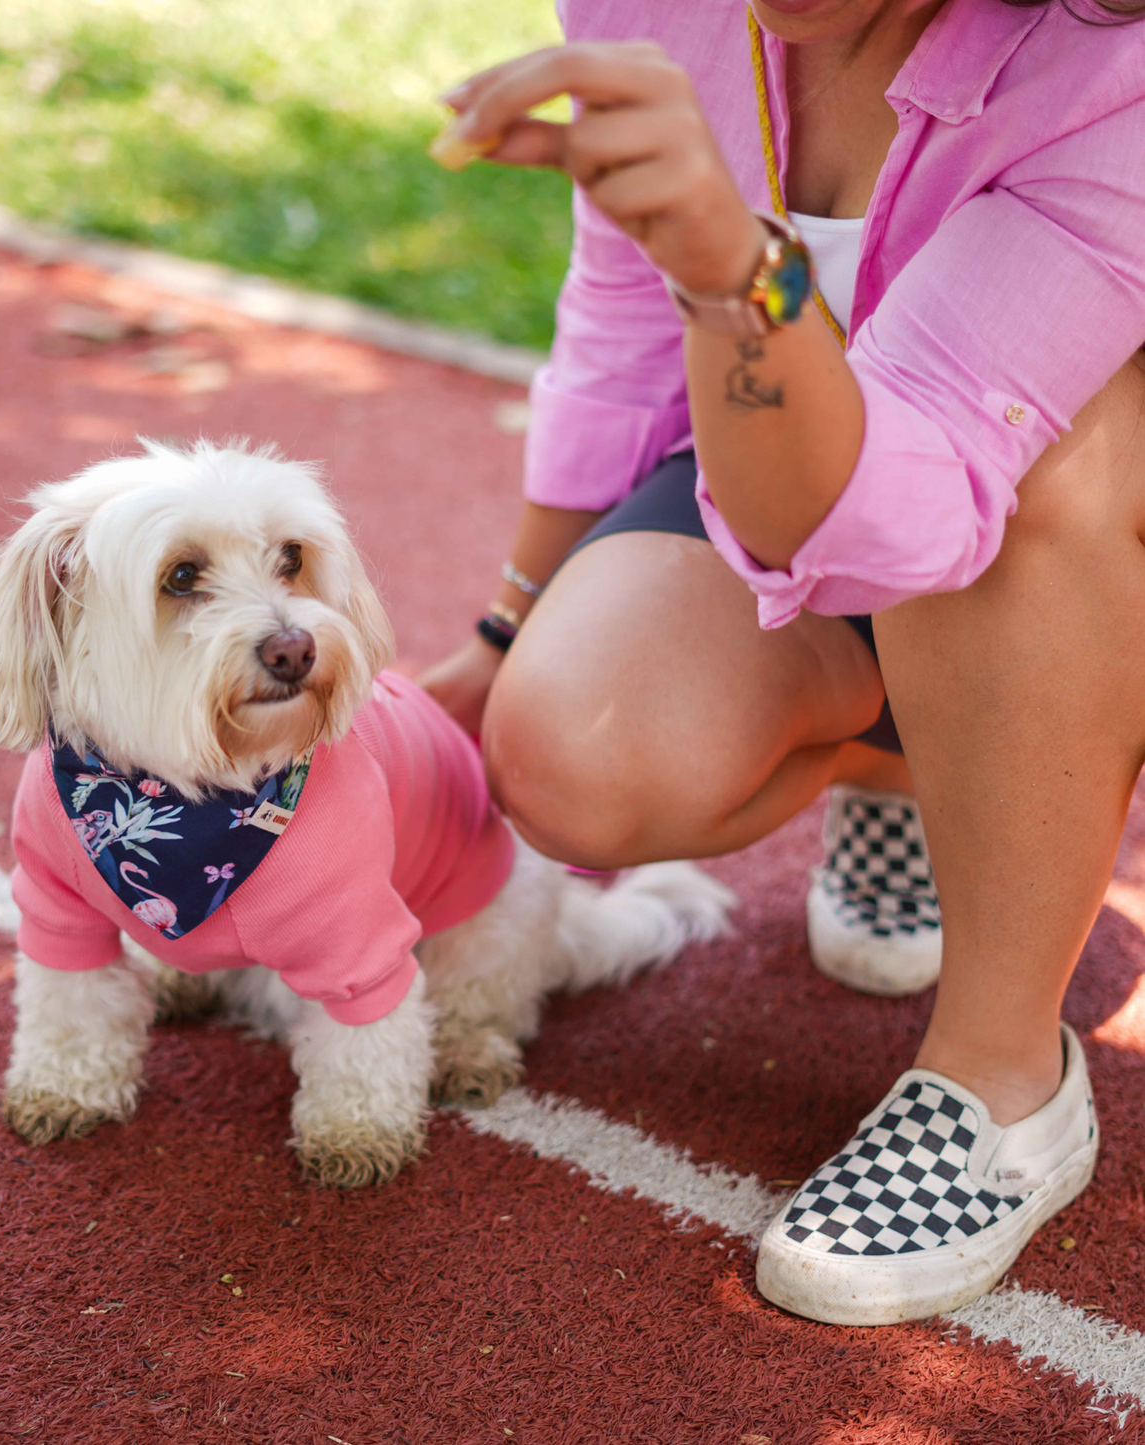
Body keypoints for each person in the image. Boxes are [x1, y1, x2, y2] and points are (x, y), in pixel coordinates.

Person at [419, 0, 1145, 1325]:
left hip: (1046, 507)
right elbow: (626, 308)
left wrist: (738, 269)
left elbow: (915, 509)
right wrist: (503, 628)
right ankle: (934, 782)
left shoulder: (1117, 70)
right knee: (574, 754)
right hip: (815, 457)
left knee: (1050, 474)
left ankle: (1003, 1082)